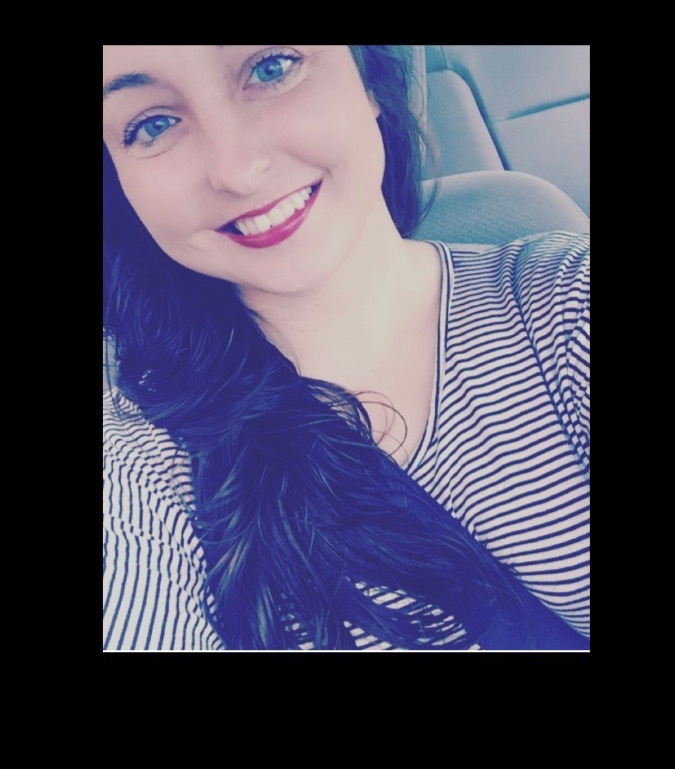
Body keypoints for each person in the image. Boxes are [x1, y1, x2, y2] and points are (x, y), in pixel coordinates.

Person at [103, 45, 590, 651]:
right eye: (152, 124)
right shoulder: (136, 461)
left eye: (273, 68)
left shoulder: (566, 299)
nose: (236, 170)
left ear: (371, 78)